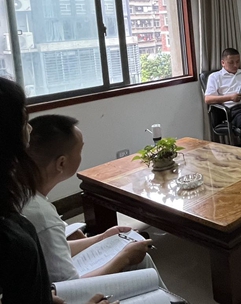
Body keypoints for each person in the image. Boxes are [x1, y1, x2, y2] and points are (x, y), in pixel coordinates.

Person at [0, 77, 114, 304]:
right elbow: (69, 284)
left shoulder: (15, 199)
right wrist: (124, 257)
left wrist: (100, 238)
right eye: (24, 121)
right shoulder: (22, 224)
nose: (30, 129)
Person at [22, 114, 158, 283]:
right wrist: (124, 258)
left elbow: (53, 250)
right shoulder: (42, 216)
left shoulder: (21, 192)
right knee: (139, 261)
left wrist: (101, 238)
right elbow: (72, 289)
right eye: (80, 150)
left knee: (139, 258)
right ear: (61, 163)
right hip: (62, 291)